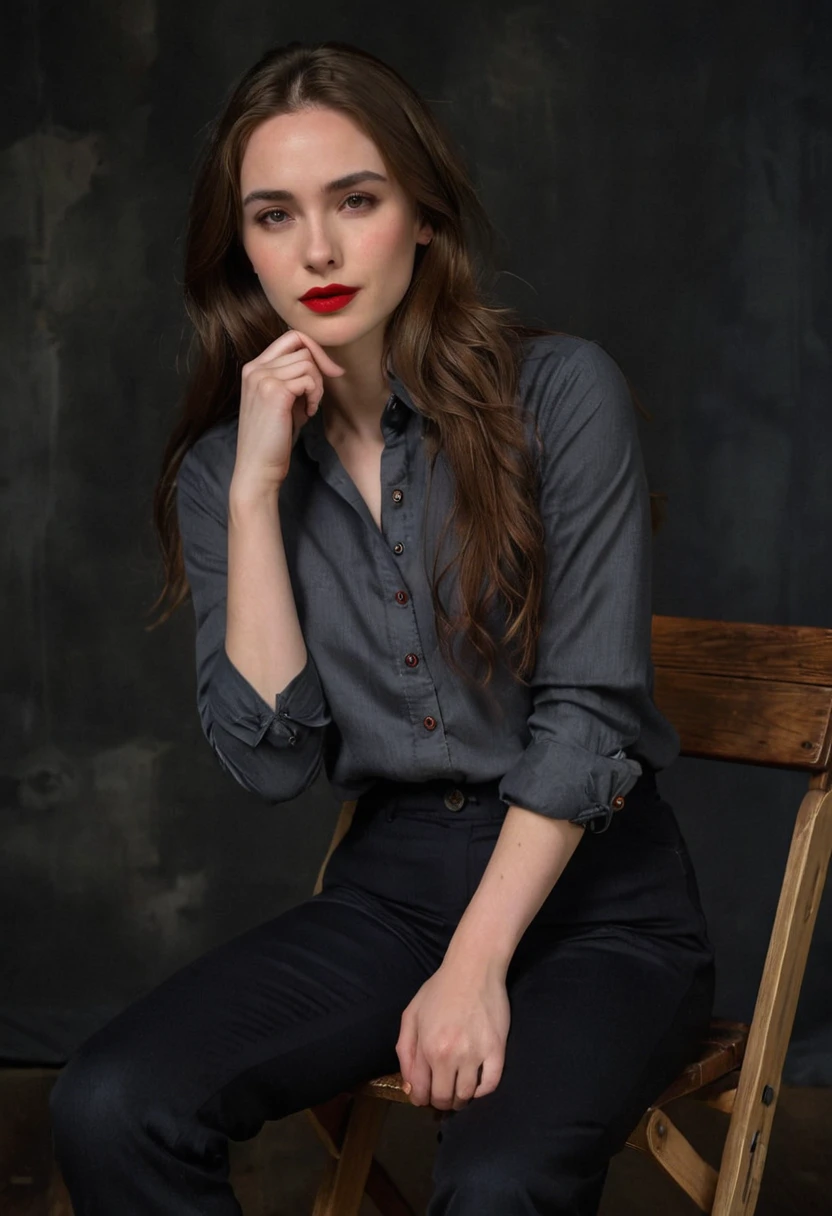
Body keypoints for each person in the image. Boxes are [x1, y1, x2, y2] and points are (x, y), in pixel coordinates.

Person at [48, 39, 715, 1215]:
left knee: (499, 1175)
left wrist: (474, 968)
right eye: (272, 215)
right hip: (387, 891)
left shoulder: (562, 395)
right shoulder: (227, 472)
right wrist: (257, 491)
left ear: (420, 214)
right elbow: (270, 760)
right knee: (110, 1100)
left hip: (596, 904)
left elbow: (588, 714)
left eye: (354, 200)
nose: (315, 249)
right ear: (237, 248)